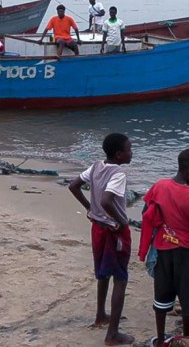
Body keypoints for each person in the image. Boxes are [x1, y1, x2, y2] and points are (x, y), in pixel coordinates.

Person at [138, 149, 189, 347]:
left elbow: (146, 211)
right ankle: (187, 340)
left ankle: (161, 338)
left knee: (162, 297)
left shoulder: (160, 185)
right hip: (186, 253)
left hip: (163, 251)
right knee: (188, 299)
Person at [68, 133, 135, 346]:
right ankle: (113, 334)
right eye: (129, 149)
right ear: (118, 154)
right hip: (113, 230)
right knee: (120, 278)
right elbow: (107, 200)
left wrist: (89, 208)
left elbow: (73, 186)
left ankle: (100, 315)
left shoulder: (96, 166)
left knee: (103, 273)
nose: (131, 152)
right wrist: (122, 220)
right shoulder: (118, 173)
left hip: (97, 227)